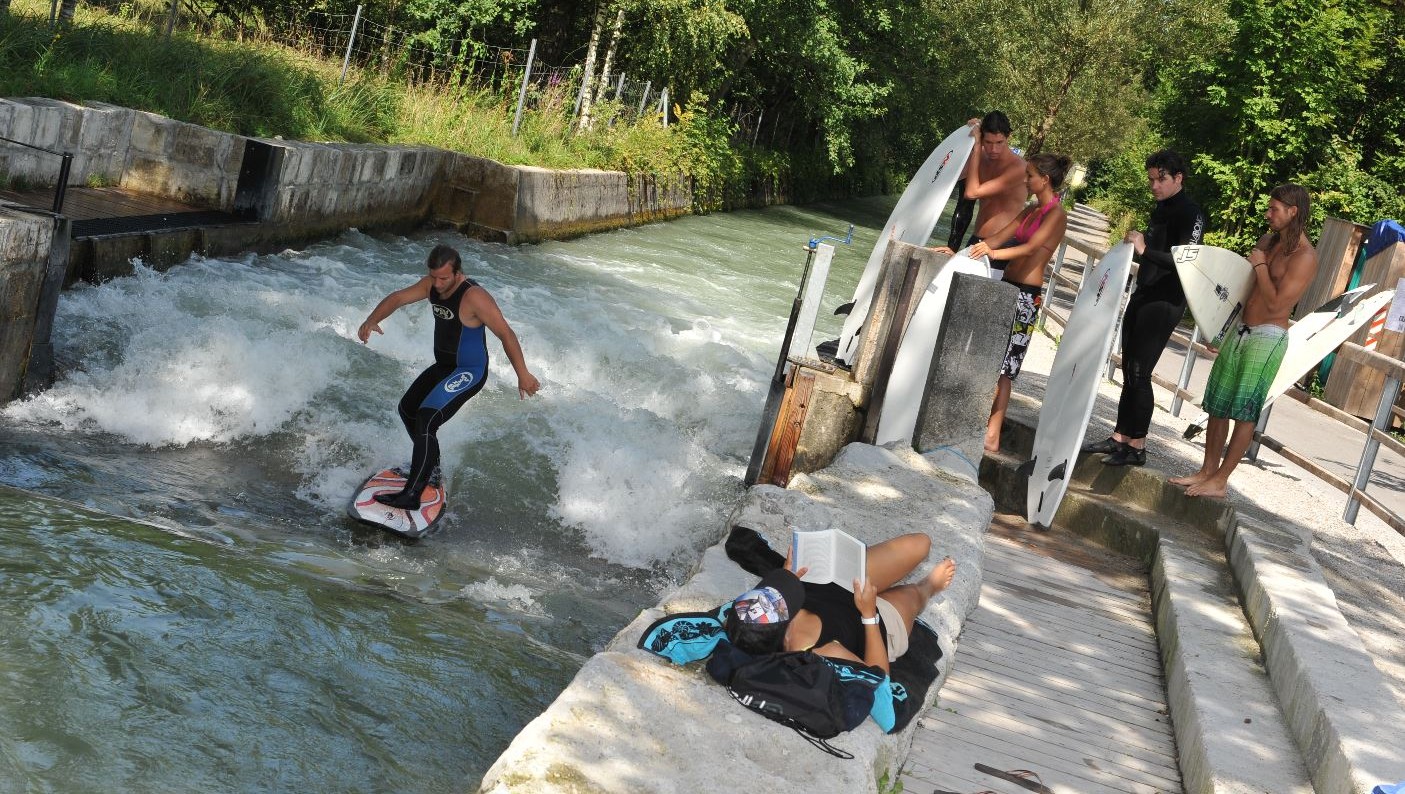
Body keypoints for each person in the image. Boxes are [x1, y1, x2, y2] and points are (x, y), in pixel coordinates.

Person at [357, 244, 541, 509]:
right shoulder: (431, 285)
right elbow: (397, 298)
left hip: (469, 371)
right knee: (408, 409)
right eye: (434, 276)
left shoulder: (474, 297)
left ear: (458, 273)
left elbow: (506, 334)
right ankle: (429, 470)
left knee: (426, 418)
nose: (438, 284)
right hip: (444, 366)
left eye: (444, 278)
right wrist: (371, 320)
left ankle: (412, 495)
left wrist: (522, 374)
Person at [1170, 184, 1317, 498]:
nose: (1268, 214)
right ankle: (1207, 471)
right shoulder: (1267, 241)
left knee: (1245, 411)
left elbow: (1278, 304)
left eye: (1274, 209)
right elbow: (1244, 288)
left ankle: (1221, 480)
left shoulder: (1305, 256)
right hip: (1240, 330)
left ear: (1293, 212)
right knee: (1218, 403)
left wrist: (1261, 264)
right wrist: (1219, 329)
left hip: (1268, 337)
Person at [937, 154, 1071, 453]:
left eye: (1030, 175)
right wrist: (960, 253)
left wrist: (992, 254)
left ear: (1045, 180)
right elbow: (996, 238)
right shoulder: (1030, 211)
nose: (1025, 180)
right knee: (989, 357)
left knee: (1004, 368)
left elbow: (1031, 248)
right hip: (1007, 288)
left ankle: (993, 435)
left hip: (1026, 296)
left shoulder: (1056, 215)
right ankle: (980, 425)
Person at [1081, 150, 1207, 466]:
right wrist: (1133, 251)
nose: (1154, 185)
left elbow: (1185, 263)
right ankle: (1120, 437)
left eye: (1160, 179)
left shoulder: (1191, 213)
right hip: (1144, 294)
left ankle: (1137, 446)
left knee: (1140, 371)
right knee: (1129, 369)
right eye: (1151, 179)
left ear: (1178, 178)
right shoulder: (1161, 208)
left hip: (1165, 302)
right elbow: (1152, 256)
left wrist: (1145, 249)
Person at [725, 534, 957, 674]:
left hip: (839, 586)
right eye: (781, 594)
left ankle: (863, 565)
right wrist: (868, 615)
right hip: (875, 620)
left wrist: (789, 575)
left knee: (920, 544)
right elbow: (880, 680)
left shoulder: (760, 617)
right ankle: (928, 587)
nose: (780, 589)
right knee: (915, 593)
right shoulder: (819, 652)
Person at [953, 111, 1030, 255]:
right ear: (982, 138)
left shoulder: (1019, 167)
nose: (993, 149)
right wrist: (966, 135)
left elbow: (971, 193)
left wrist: (977, 147)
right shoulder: (980, 158)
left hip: (1003, 245)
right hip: (977, 241)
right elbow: (953, 177)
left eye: (999, 142)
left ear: (1008, 137)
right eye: (988, 142)